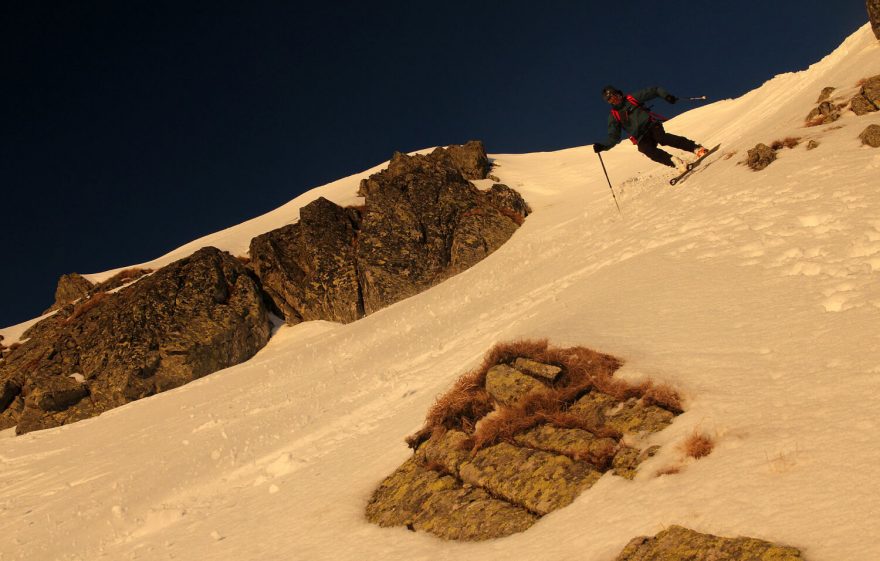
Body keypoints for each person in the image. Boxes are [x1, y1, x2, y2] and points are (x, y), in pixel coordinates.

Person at [593, 85, 707, 171]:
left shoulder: (631, 99)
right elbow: (614, 137)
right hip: (640, 136)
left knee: (662, 138)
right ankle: (676, 162)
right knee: (645, 149)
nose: (614, 100)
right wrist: (603, 146)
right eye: (610, 100)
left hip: (651, 125)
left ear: (618, 93)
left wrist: (666, 96)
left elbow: (654, 90)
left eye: (614, 96)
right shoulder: (614, 116)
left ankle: (696, 148)